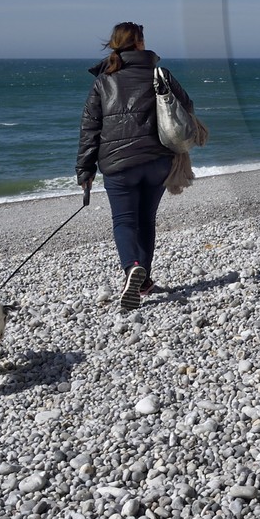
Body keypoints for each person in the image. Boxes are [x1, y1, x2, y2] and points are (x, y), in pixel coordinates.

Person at [75, 22, 192, 312]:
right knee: (146, 221)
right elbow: (186, 106)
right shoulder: (159, 74)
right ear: (140, 43)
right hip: (158, 161)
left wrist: (85, 171)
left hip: (118, 165)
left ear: (114, 44)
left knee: (125, 222)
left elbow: (90, 128)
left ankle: (132, 269)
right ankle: (143, 282)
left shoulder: (103, 81)